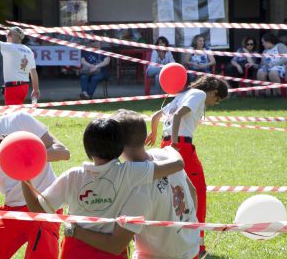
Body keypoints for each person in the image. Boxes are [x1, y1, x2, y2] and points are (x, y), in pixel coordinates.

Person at [22, 118, 184, 259]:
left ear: (87, 147)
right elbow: (177, 165)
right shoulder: (130, 172)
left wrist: (23, 176)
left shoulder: (72, 176)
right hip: (110, 254)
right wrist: (171, 149)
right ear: (121, 147)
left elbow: (37, 209)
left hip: (75, 252)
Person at [67, 109, 199, 259]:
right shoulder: (167, 154)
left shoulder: (136, 189)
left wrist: (74, 230)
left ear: (116, 142)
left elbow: (115, 245)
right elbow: (192, 191)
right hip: (191, 249)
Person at [0, 94, 70, 259]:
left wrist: (25, 156)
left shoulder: (18, 121)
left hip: (45, 205)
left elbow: (63, 152)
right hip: (13, 211)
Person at [146, 76, 229, 255]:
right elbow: (178, 115)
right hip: (180, 146)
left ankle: (174, 240)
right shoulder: (198, 94)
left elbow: (155, 116)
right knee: (198, 191)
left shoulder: (182, 94)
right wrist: (175, 143)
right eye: (217, 99)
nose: (214, 103)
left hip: (164, 145)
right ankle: (198, 244)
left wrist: (154, 133)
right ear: (214, 92)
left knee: (172, 192)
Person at [0, 27, 40, 105]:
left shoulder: (9, 46)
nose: (7, 36)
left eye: (9, 34)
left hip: (13, 86)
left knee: (11, 114)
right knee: (17, 112)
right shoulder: (28, 50)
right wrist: (35, 89)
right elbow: (33, 72)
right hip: (24, 86)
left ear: (16, 37)